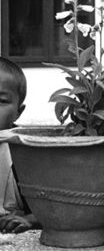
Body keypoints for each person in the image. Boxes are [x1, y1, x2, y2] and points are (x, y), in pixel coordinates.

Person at [0, 57, 38, 233]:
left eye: (1, 101)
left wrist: (28, 220)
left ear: (18, 112)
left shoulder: (29, 152)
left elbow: (57, 205)